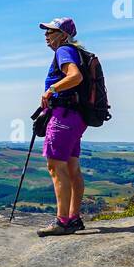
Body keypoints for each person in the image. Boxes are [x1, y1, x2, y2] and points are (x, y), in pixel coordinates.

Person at [36, 17, 87, 236]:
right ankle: (73, 218)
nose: (46, 36)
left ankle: (62, 221)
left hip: (64, 117)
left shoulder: (63, 51)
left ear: (63, 35)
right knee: (72, 168)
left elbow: (75, 76)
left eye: (51, 32)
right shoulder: (78, 52)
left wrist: (52, 89)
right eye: (46, 32)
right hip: (77, 117)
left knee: (56, 168)